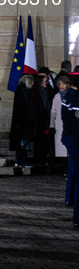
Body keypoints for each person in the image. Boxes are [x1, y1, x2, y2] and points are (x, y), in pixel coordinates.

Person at [61, 82, 79, 230]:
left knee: (74, 169)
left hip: (70, 138)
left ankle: (70, 199)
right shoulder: (73, 98)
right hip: (74, 138)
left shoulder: (68, 97)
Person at [9, 73, 36, 169]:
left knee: (22, 143)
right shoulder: (23, 91)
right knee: (22, 143)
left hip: (22, 122)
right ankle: (22, 161)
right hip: (22, 122)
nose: (33, 84)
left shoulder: (22, 91)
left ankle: (20, 161)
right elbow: (22, 108)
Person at [50, 74, 70, 176]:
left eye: (64, 84)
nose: (62, 86)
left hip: (70, 126)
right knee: (62, 150)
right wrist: (52, 126)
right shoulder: (57, 97)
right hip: (60, 126)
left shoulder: (72, 95)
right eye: (60, 84)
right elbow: (53, 112)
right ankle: (65, 169)